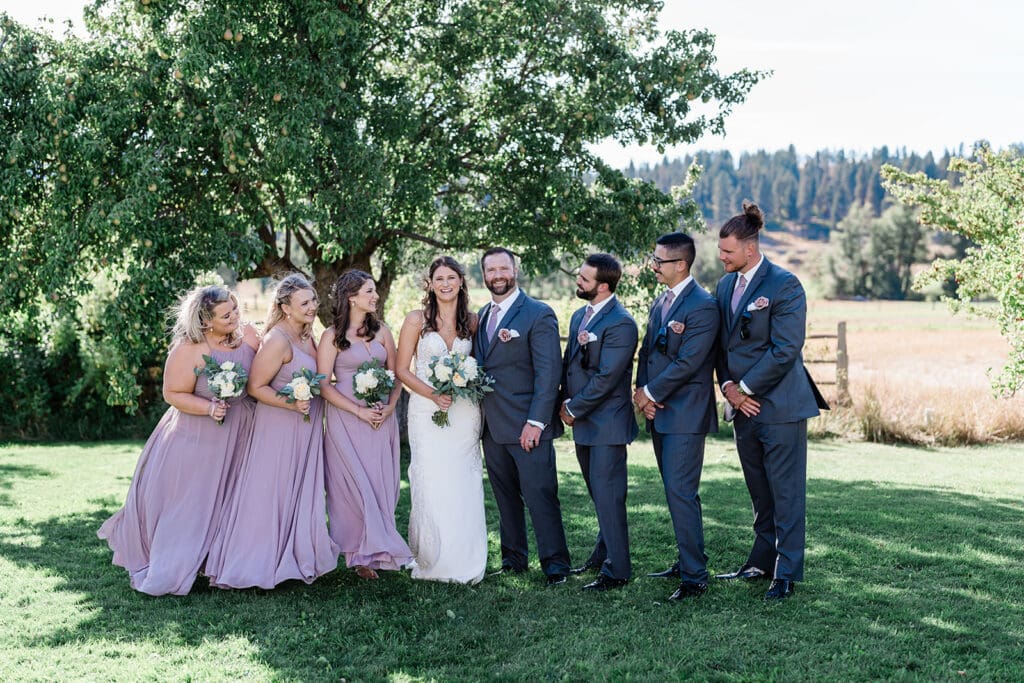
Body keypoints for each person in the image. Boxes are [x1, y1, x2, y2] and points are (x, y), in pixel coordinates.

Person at [98, 285, 260, 596]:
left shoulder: (250, 336)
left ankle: (221, 563)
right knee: (190, 502)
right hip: (196, 437)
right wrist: (209, 407)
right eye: (226, 315)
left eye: (235, 310)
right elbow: (172, 393)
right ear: (205, 321)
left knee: (232, 498)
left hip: (241, 431)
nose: (235, 318)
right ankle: (175, 563)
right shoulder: (189, 349)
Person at [713, 201, 828, 600]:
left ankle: (786, 571)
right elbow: (721, 346)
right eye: (720, 250)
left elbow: (785, 349)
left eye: (728, 251)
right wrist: (729, 388)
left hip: (780, 407)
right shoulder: (724, 286)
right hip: (742, 407)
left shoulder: (785, 284)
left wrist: (744, 389)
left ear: (750, 248)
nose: (721, 257)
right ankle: (761, 561)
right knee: (760, 491)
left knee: (786, 492)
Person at [205, 273, 339, 589]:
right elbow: (255, 386)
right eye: (304, 303)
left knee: (296, 491)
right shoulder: (277, 340)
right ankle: (253, 563)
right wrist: (291, 404)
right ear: (285, 307)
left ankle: (291, 557)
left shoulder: (308, 335)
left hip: (304, 427)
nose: (312, 306)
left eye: (313, 300)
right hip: (278, 427)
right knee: (269, 492)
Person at [474, 247, 571, 586]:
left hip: (528, 425)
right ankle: (513, 560)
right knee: (505, 498)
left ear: (515, 270)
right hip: (492, 426)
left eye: (504, 268)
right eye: (491, 270)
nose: (498, 275)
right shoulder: (482, 315)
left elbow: (549, 373)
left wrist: (537, 422)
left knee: (540, 496)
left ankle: (555, 565)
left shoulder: (538, 313)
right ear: (484, 275)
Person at [632, 233, 721, 602]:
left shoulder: (703, 306)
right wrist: (642, 392)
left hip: (686, 414)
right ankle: (687, 559)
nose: (653, 266)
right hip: (659, 412)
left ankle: (695, 577)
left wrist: (650, 393)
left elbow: (689, 363)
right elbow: (647, 351)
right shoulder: (661, 301)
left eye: (660, 261)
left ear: (681, 264)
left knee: (681, 492)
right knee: (675, 491)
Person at [396, 256, 488, 584]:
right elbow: (402, 369)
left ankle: (466, 559)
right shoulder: (416, 320)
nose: (445, 284)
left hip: (464, 412)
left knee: (463, 480)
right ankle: (432, 558)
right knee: (432, 479)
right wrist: (433, 394)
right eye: (439, 279)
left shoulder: (473, 322)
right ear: (430, 284)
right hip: (426, 410)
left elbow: (478, 365)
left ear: (461, 282)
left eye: (451, 277)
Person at [320, 270, 412, 580]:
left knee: (380, 482)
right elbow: (324, 385)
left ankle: (377, 548)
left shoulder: (382, 331)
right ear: (351, 297)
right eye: (369, 291)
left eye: (375, 290)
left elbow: (397, 375)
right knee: (352, 485)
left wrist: (390, 407)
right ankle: (358, 555)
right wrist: (358, 412)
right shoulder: (331, 336)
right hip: (347, 418)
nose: (375, 296)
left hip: (381, 418)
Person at [559, 253, 639, 592]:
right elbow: (570, 364)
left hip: (607, 423)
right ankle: (603, 551)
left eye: (584, 278)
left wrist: (574, 408)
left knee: (609, 496)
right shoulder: (580, 316)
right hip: (583, 422)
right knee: (598, 494)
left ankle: (617, 570)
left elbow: (607, 377)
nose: (578, 281)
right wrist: (561, 401)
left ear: (603, 286)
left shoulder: (621, 323)